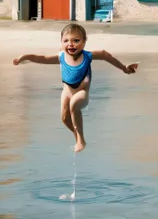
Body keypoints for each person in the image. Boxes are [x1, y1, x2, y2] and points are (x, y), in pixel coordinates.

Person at [13, 23, 138, 152]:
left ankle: (80, 139)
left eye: (76, 41)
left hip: (82, 92)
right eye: (66, 41)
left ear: (84, 42)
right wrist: (24, 57)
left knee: (74, 104)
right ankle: (78, 137)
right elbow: (41, 58)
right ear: (61, 43)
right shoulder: (61, 57)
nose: (71, 44)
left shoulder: (88, 56)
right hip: (67, 92)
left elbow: (105, 55)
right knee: (64, 118)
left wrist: (124, 68)